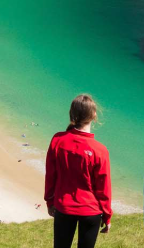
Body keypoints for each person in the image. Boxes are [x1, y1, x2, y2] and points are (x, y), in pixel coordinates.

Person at [44, 94, 112, 248]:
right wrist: (107, 216)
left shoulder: (58, 140)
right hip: (91, 211)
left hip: (64, 207)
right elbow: (103, 188)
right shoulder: (99, 150)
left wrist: (49, 200)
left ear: (72, 114)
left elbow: (50, 175)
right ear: (94, 115)